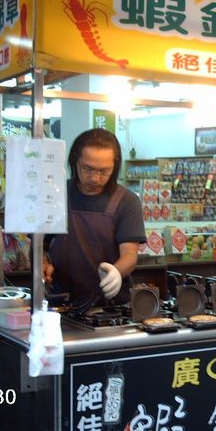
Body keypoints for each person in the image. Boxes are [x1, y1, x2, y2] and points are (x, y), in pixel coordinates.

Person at [43, 128, 146, 307]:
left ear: (114, 167)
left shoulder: (126, 201)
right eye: (88, 169)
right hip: (61, 302)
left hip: (110, 305)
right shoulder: (55, 194)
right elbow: (39, 245)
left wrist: (116, 272)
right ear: (75, 160)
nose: (95, 178)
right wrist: (42, 263)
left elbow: (130, 254)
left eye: (104, 171)